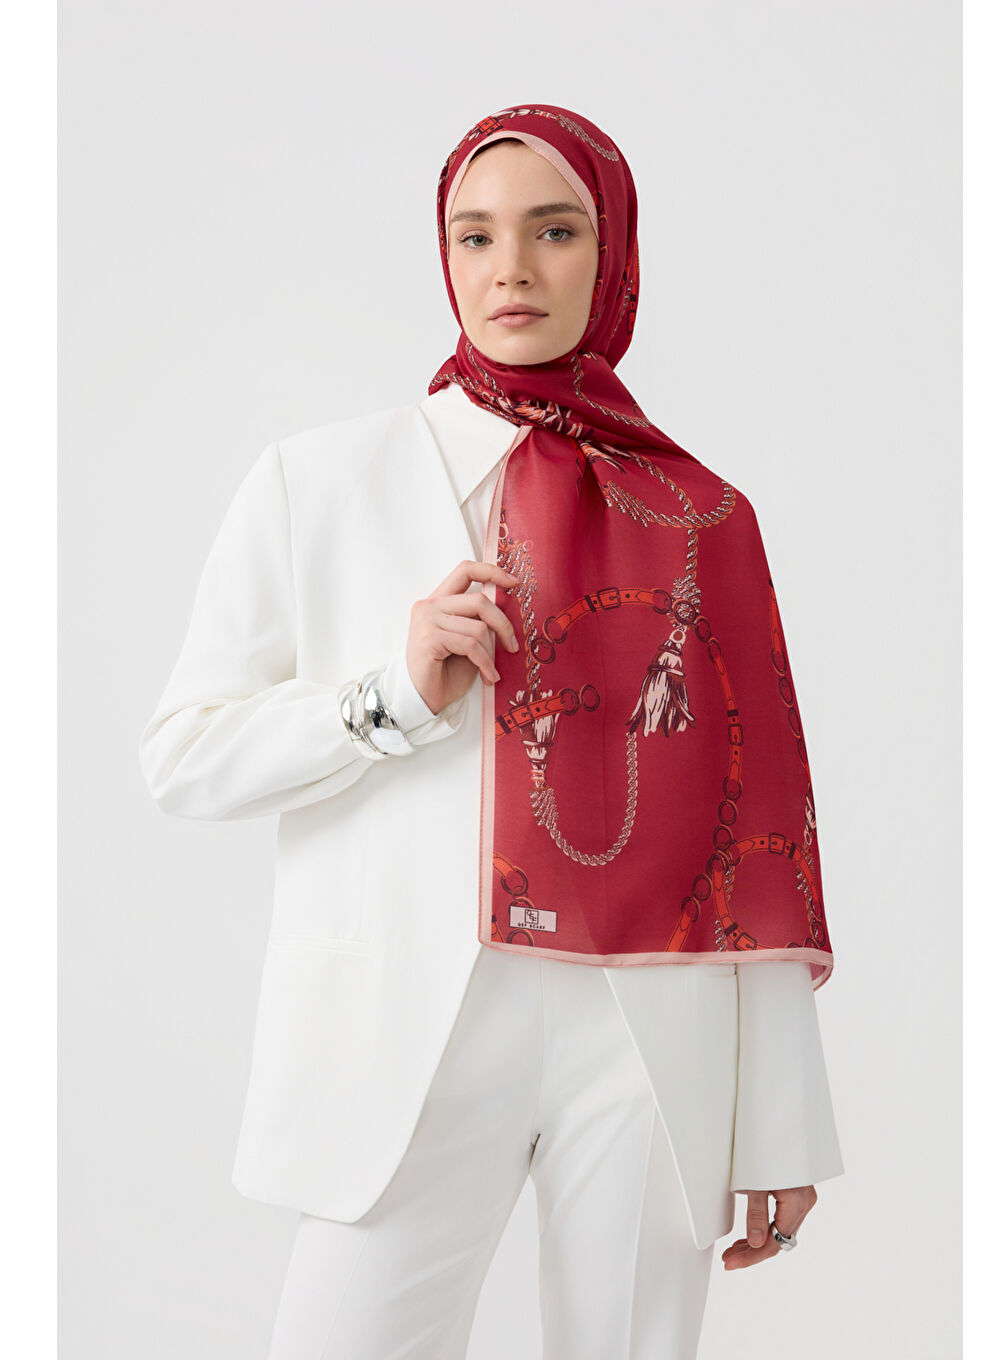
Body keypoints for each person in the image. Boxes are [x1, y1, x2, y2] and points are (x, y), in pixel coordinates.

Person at [139, 104, 844, 1359]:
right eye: (475, 236)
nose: (510, 267)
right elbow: (183, 755)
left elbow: (763, 833)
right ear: (445, 256)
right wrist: (389, 698)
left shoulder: (702, 517)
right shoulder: (321, 482)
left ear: (612, 254)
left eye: (554, 231)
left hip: (649, 1034)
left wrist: (782, 1118)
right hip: (402, 1035)